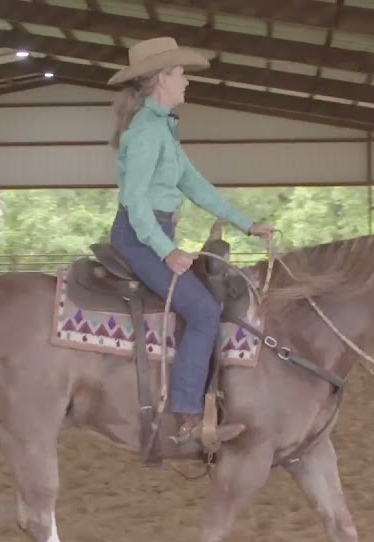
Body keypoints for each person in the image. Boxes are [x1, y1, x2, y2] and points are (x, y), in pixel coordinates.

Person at [105, 36, 274, 450]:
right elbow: (135, 201)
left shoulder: (161, 127)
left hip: (153, 232)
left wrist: (246, 223)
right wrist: (166, 249)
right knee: (203, 311)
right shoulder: (146, 132)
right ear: (162, 78)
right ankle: (185, 416)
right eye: (181, 75)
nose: (186, 83)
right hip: (141, 236)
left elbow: (195, 185)